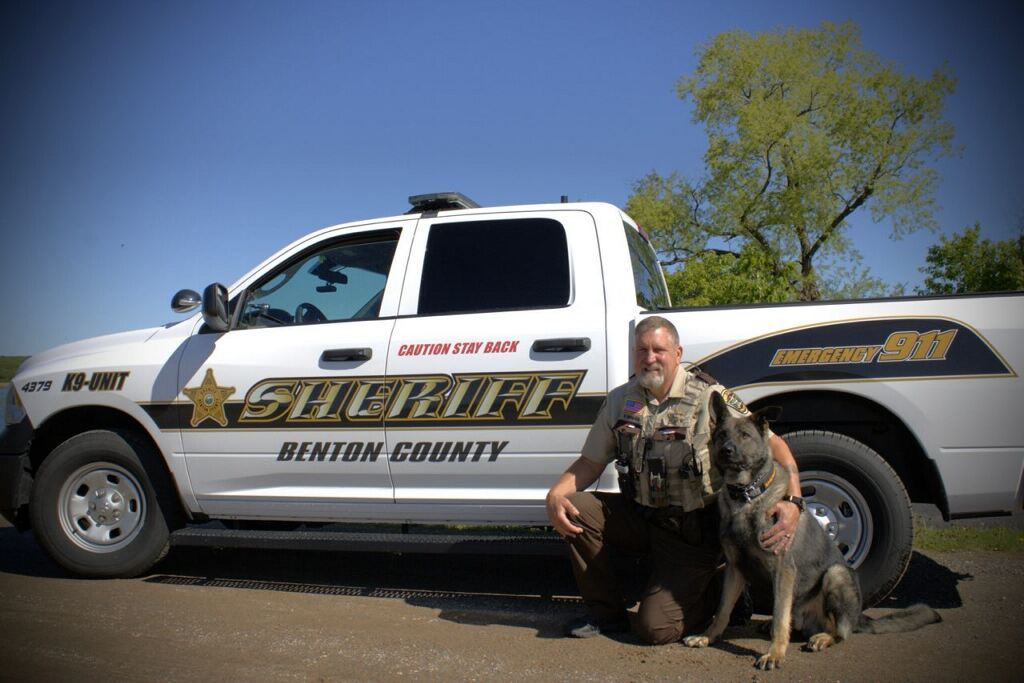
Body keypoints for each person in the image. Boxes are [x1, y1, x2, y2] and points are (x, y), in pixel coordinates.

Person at [545, 316, 801, 644]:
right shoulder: (621, 400)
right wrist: (556, 494)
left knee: (655, 629)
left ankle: (721, 594)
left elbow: (775, 444)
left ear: (677, 353)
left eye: (658, 350)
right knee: (575, 506)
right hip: (642, 515)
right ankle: (605, 615)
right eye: (641, 350)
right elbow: (590, 462)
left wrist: (793, 501)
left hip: (692, 531)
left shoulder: (709, 395)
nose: (649, 358)